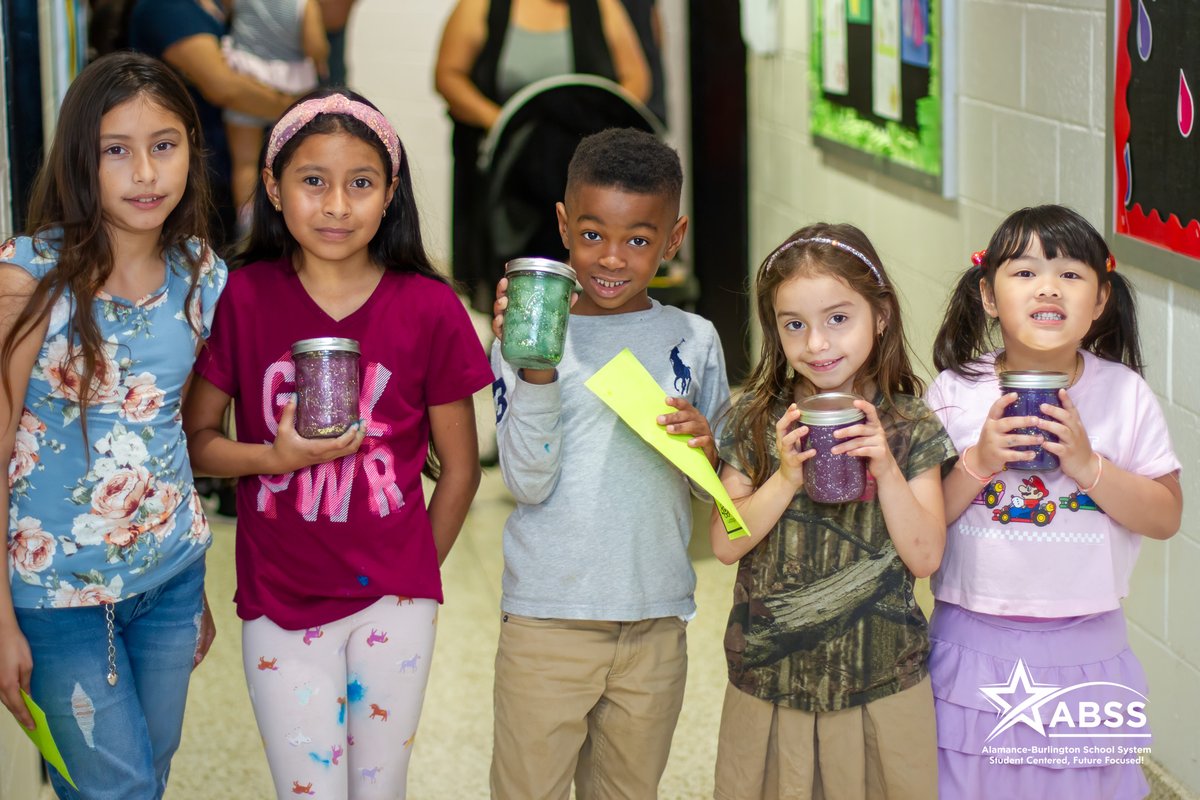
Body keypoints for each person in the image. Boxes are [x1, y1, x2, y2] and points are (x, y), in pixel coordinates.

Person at [182, 88, 493, 799]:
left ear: (390, 195)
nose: (336, 205)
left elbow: (462, 472)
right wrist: (272, 460)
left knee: (380, 790)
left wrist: (412, 574)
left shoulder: (429, 306)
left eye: (361, 184)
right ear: (273, 187)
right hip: (278, 600)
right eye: (312, 181)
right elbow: (196, 442)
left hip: (395, 601)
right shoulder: (242, 296)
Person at [0, 51, 227, 799]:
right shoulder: (27, 277)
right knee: (118, 793)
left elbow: (178, 431)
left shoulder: (202, 275)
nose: (145, 174)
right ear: (79, 159)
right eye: (116, 152)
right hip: (55, 599)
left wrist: (193, 590)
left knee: (147, 780)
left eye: (164, 146)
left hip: (169, 579)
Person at [488, 127, 729, 799]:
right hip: (547, 622)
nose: (613, 259)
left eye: (639, 240)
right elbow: (527, 482)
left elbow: (721, 489)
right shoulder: (530, 335)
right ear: (564, 224)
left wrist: (707, 450)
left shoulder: (695, 340)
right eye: (593, 235)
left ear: (673, 238)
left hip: (655, 622)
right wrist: (533, 371)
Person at [926, 205, 1182, 799]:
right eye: (1024, 272)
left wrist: (1089, 467)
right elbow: (919, 526)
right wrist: (978, 463)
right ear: (987, 295)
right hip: (971, 640)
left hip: (1089, 646)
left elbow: (1166, 516)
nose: (1048, 286)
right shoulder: (956, 390)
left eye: (1070, 273)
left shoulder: (1123, 392)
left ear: (1100, 300)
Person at [708, 224, 954, 799]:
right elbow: (725, 542)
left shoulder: (912, 424)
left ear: (882, 315)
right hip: (770, 680)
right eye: (795, 325)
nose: (817, 344)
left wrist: (887, 468)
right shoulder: (753, 418)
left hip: (882, 681)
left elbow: (925, 556)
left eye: (838, 319)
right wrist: (785, 478)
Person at [435, 0, 651, 312]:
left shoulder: (603, 7)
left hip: (579, 166)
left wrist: (604, 128)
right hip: (510, 172)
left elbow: (636, 80)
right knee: (515, 282)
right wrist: (503, 122)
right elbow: (448, 77)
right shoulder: (481, 6)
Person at [128, 0, 299, 250]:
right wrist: (300, 107)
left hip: (223, 177)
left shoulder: (222, 8)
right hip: (200, 184)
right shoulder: (168, 8)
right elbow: (223, 87)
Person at [223, 0, 329, 230]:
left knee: (245, 163)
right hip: (290, 83)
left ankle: (247, 224)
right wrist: (322, 51)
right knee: (300, 161)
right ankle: (296, 220)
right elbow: (315, 47)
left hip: (247, 77)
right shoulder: (305, 4)